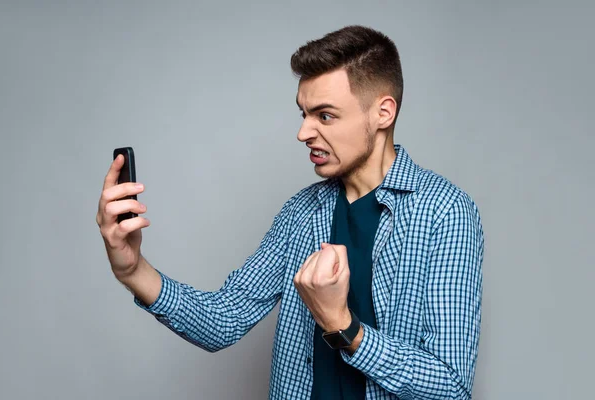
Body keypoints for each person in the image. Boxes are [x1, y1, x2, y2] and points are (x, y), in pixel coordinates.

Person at [96, 25, 484, 400]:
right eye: (303, 114)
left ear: (383, 113)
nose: (304, 133)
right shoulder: (302, 212)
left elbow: (449, 386)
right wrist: (132, 270)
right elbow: (222, 320)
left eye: (325, 116)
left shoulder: (445, 213)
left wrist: (343, 327)